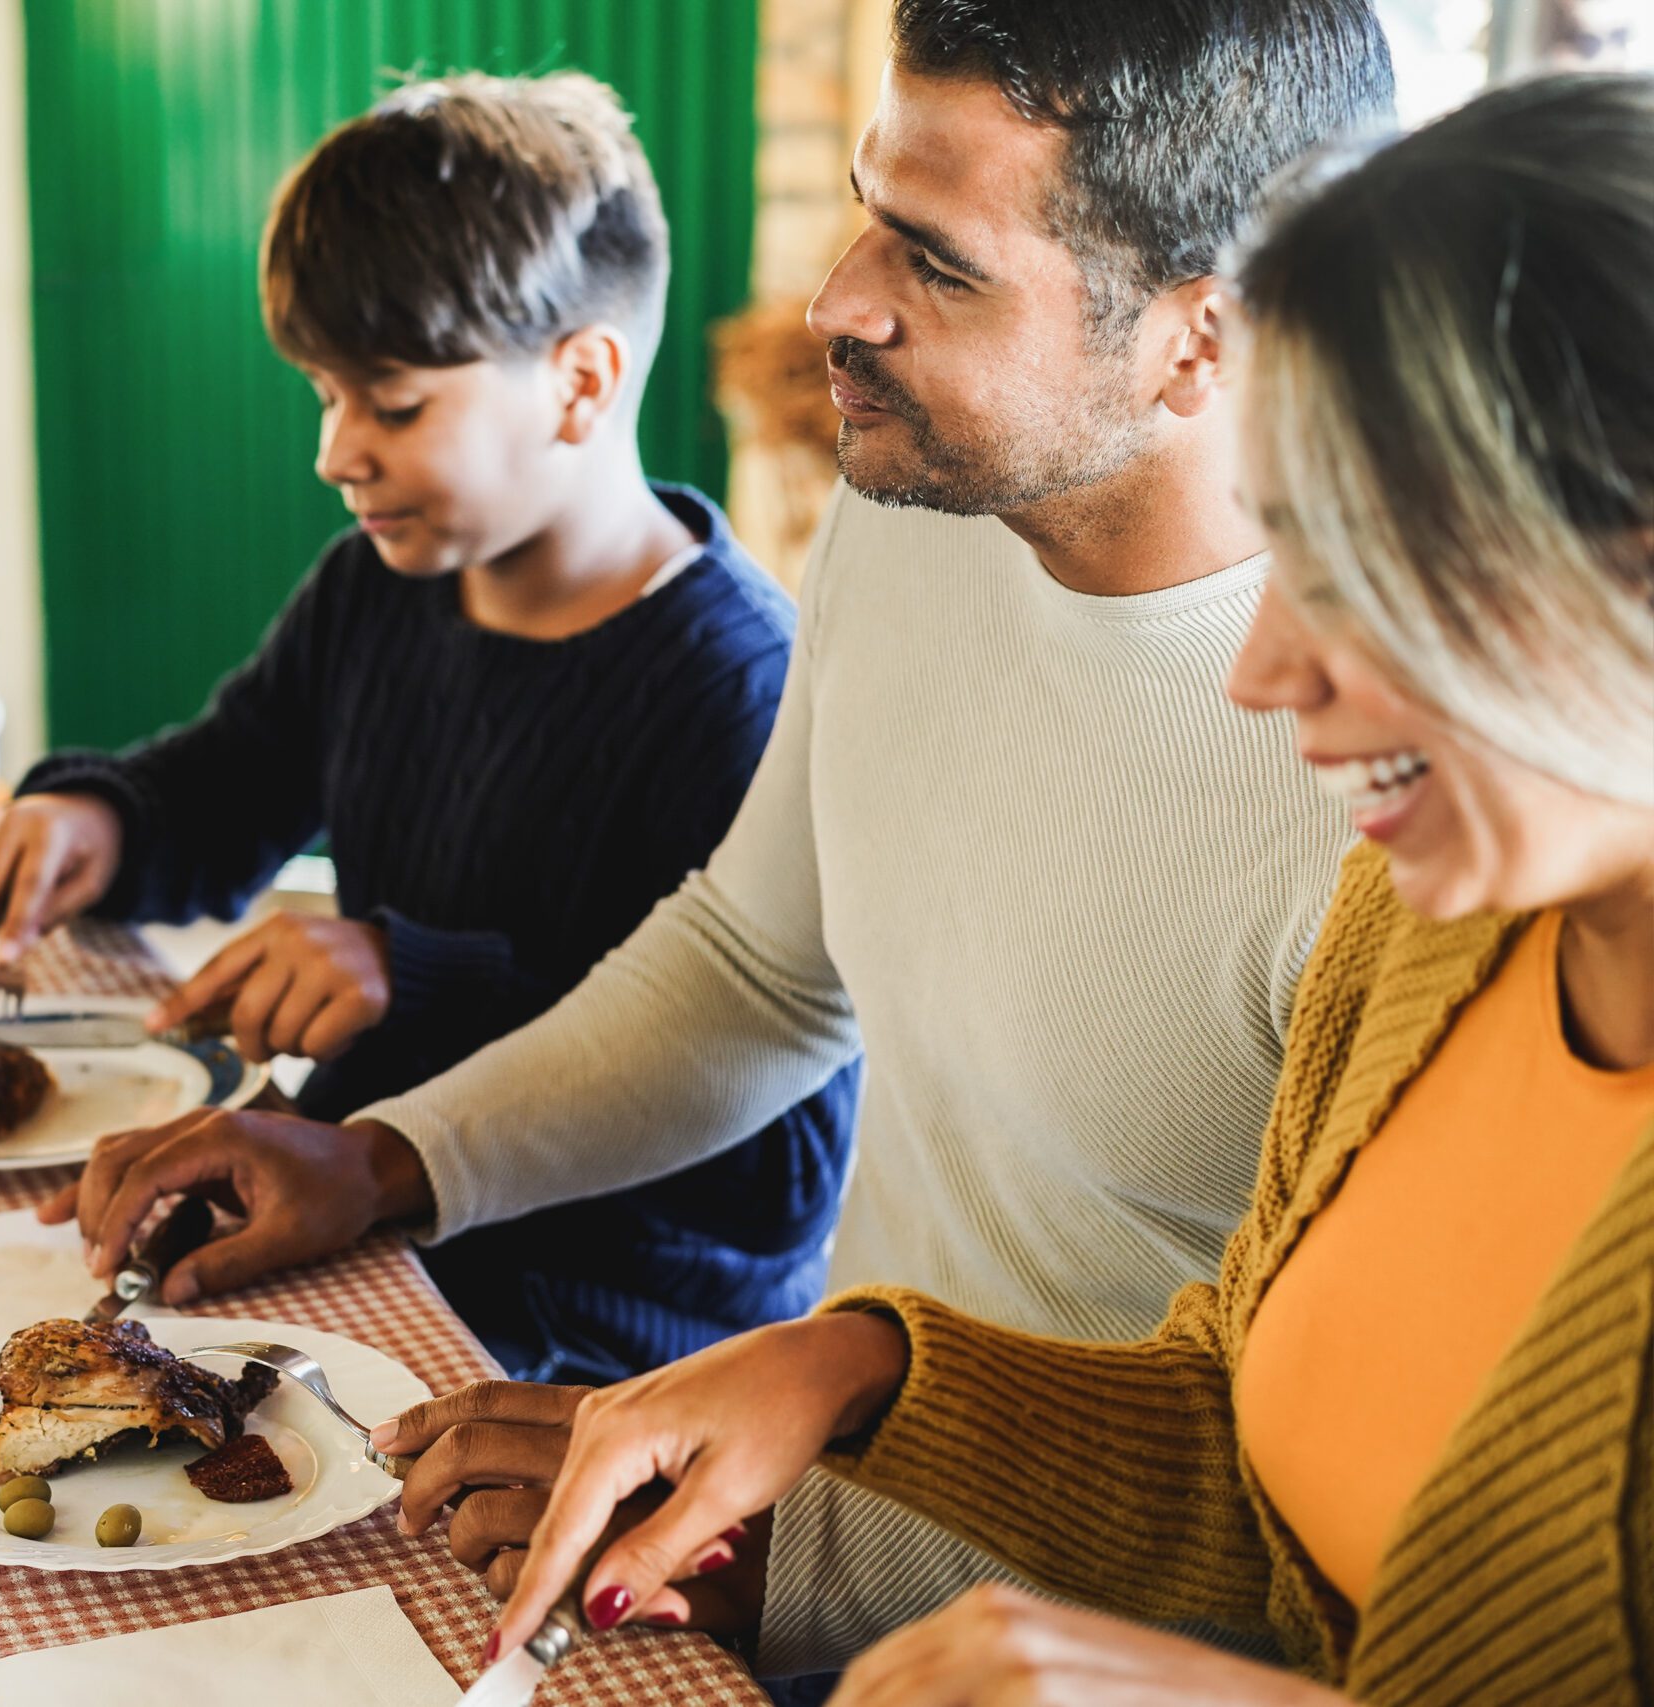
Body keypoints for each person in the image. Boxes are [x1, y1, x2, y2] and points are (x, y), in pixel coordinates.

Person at [50, 0, 1388, 1675]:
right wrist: (393, 1158)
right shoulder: (926, 515)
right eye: (859, 206)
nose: (837, 302)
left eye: (937, 261)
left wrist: (812, 1556)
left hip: (979, 1621)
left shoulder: (1402, 790)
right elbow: (762, 968)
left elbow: (1322, 1506)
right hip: (798, 1512)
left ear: (1205, 336)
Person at [494, 71, 1654, 1705]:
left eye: (1360, 566)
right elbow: (1258, 1435)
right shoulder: (1424, 945)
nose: (1260, 670)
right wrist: (863, 1368)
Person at [0, 73, 859, 1385]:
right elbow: (226, 789)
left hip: (596, 1351)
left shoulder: (743, 692)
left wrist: (414, 976)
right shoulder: (378, 589)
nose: (335, 452)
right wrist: (98, 818)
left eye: (391, 403)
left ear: (579, 384)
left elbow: (776, 1172)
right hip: (364, 1228)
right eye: (323, 394)